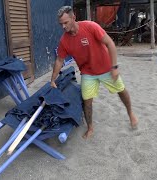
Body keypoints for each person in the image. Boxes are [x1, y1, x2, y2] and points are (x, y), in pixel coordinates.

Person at [50, 6, 138, 139]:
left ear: (74, 18)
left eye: (66, 22)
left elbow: (110, 44)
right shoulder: (64, 40)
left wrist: (114, 67)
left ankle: (130, 113)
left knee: (121, 90)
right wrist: (52, 79)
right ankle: (90, 127)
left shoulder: (90, 27)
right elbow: (59, 60)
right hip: (87, 72)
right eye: (61, 24)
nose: (63, 26)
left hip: (106, 68)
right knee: (87, 101)